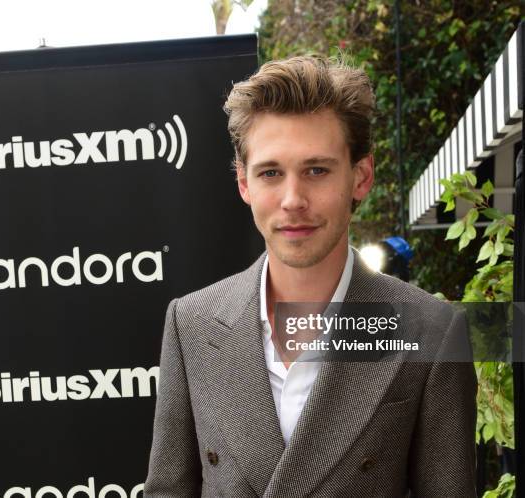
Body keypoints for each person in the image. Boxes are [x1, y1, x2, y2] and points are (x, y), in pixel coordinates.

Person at [144, 56, 477, 497]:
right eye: (271, 173)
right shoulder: (192, 323)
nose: (293, 199)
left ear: (361, 176)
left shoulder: (430, 330)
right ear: (244, 184)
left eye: (316, 170)